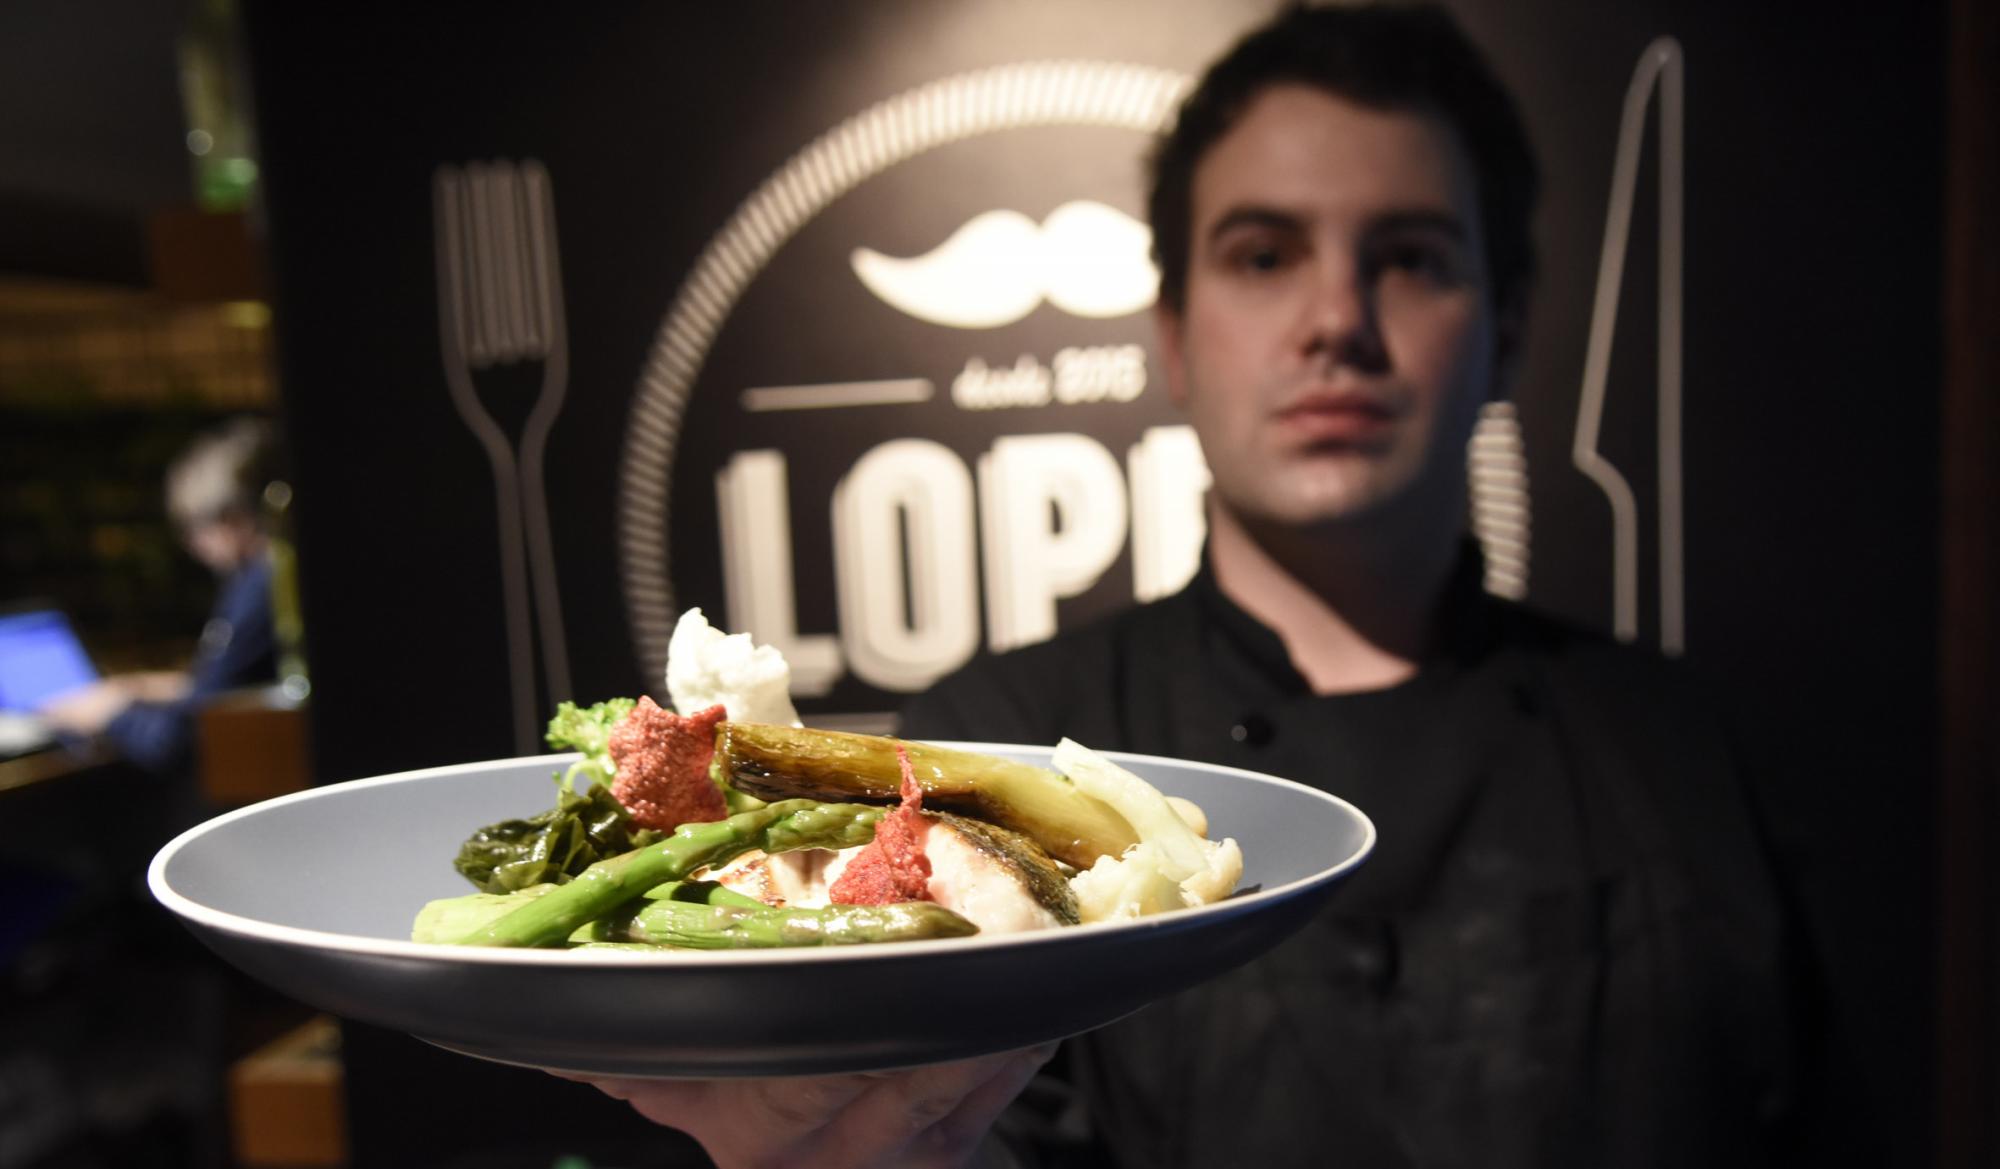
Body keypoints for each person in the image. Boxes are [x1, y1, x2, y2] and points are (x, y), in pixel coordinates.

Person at [580, 5, 1850, 1166]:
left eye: (1410, 256)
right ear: (1175, 337)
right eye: (1263, 254)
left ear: (1507, 328)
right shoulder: (999, 736)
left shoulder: (1681, 750)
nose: (1335, 318)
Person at [37, 416, 280, 775]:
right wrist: (143, 688)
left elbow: (181, 741)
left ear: (231, 519)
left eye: (193, 528)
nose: (193, 547)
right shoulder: (271, 574)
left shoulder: (258, 586)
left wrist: (111, 714)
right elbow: (227, 689)